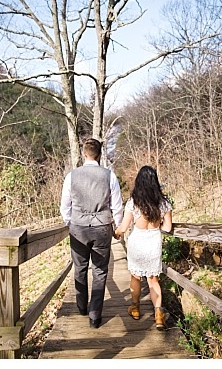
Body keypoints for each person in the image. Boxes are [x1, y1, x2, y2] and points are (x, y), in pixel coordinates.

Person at [60, 138, 124, 328]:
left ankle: (81, 307)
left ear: (83, 153)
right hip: (102, 227)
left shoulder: (72, 176)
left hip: (78, 228)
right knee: (100, 271)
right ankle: (95, 316)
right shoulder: (109, 176)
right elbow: (117, 206)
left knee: (79, 268)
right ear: (100, 154)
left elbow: (65, 206)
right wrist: (118, 227)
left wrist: (70, 223)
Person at [115, 165, 173, 330]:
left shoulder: (134, 203)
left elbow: (124, 227)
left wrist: (117, 232)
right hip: (153, 242)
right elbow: (168, 228)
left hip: (137, 243)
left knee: (135, 277)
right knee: (153, 279)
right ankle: (159, 316)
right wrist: (159, 222)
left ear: (139, 182)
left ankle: (135, 308)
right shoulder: (163, 203)